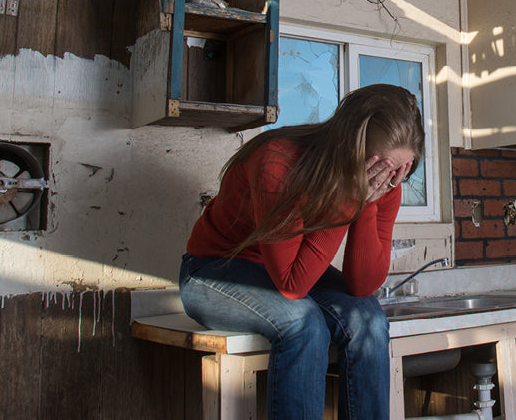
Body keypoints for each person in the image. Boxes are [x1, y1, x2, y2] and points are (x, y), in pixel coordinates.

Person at [179, 84, 425, 419]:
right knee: (304, 323)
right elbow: (293, 284)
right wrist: (351, 198)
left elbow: (362, 286)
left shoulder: (385, 183)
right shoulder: (278, 163)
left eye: (400, 171)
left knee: (368, 317)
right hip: (212, 270)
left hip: (282, 268)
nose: (388, 181)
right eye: (382, 169)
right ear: (348, 148)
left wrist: (366, 205)